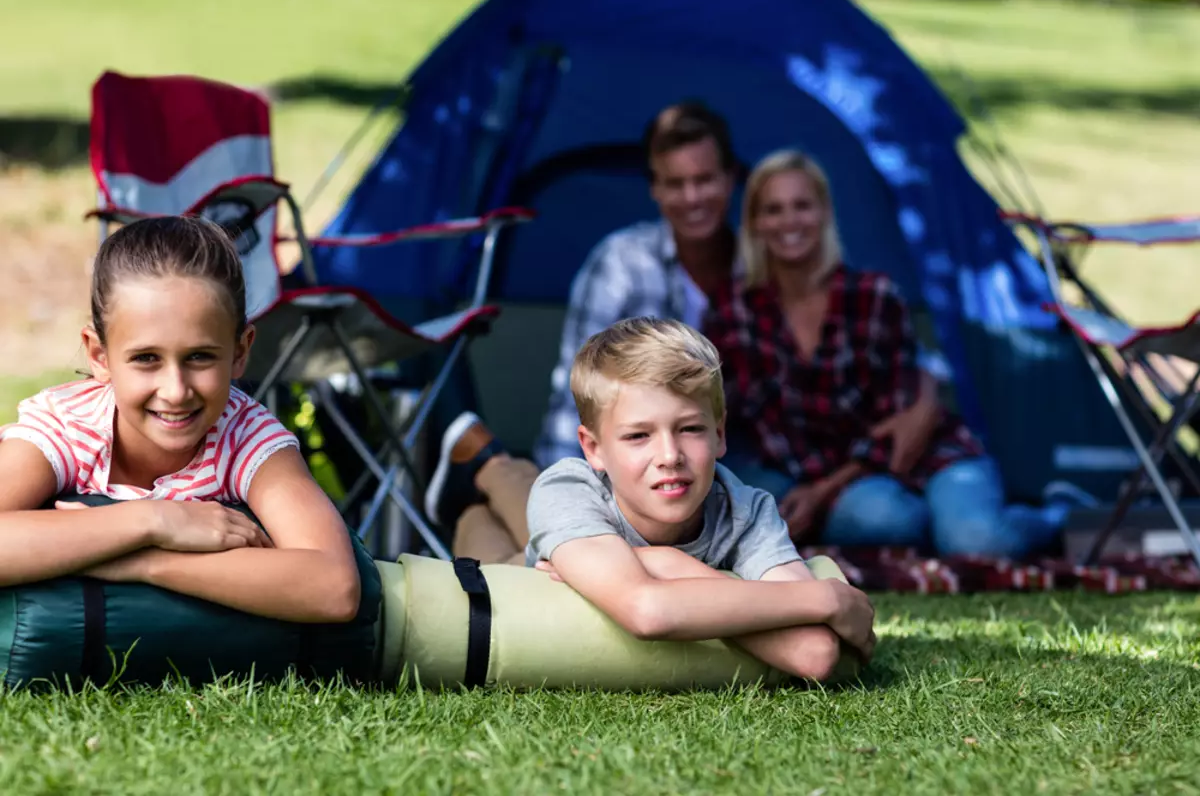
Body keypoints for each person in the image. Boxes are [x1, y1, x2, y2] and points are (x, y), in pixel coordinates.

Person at [425, 101, 940, 563]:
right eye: (675, 183)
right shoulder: (622, 265)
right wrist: (576, 483)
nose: (692, 197)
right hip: (629, 459)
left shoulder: (762, 263)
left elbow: (849, 328)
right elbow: (581, 395)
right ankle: (493, 474)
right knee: (567, 560)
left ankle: (479, 488)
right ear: (654, 189)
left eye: (705, 180)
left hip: (726, 456)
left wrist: (927, 393)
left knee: (565, 568)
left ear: (730, 180)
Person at [705, 148, 1072, 558]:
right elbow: (724, 412)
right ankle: (938, 527)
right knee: (883, 518)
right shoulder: (734, 312)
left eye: (802, 206)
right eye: (773, 209)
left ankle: (1059, 516)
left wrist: (821, 493)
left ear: (824, 213)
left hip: (923, 456)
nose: (789, 221)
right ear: (755, 223)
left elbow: (898, 434)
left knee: (978, 542)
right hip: (848, 481)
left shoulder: (872, 295)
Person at [0, 216, 362, 623]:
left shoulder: (245, 437)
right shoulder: (67, 425)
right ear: (100, 356)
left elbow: (334, 588)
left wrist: (143, 562)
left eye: (200, 357)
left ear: (240, 351)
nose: (175, 390)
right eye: (146, 359)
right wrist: (153, 520)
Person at [521, 316, 876, 682]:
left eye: (690, 429)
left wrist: (661, 564)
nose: (670, 455)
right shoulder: (568, 490)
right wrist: (828, 599)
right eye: (639, 436)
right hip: (522, 550)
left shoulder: (745, 511)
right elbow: (646, 612)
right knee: (497, 531)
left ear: (719, 434)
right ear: (593, 448)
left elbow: (813, 652)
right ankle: (491, 468)